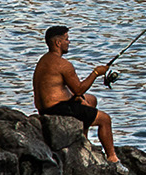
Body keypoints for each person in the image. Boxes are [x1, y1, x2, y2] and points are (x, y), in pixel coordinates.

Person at [33, 23, 123, 161]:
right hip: (56, 109)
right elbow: (79, 89)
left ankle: (83, 141)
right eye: (66, 39)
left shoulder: (44, 60)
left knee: (90, 100)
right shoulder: (63, 64)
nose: (69, 42)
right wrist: (96, 73)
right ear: (58, 42)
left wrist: (76, 98)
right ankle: (112, 157)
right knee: (105, 119)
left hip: (47, 106)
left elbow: (57, 88)